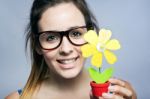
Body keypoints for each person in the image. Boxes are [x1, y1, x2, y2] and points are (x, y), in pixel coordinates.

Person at [5, 0, 137, 99]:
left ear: (92, 36)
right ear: (37, 46)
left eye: (76, 33)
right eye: (51, 37)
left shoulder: (120, 93)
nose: (66, 49)